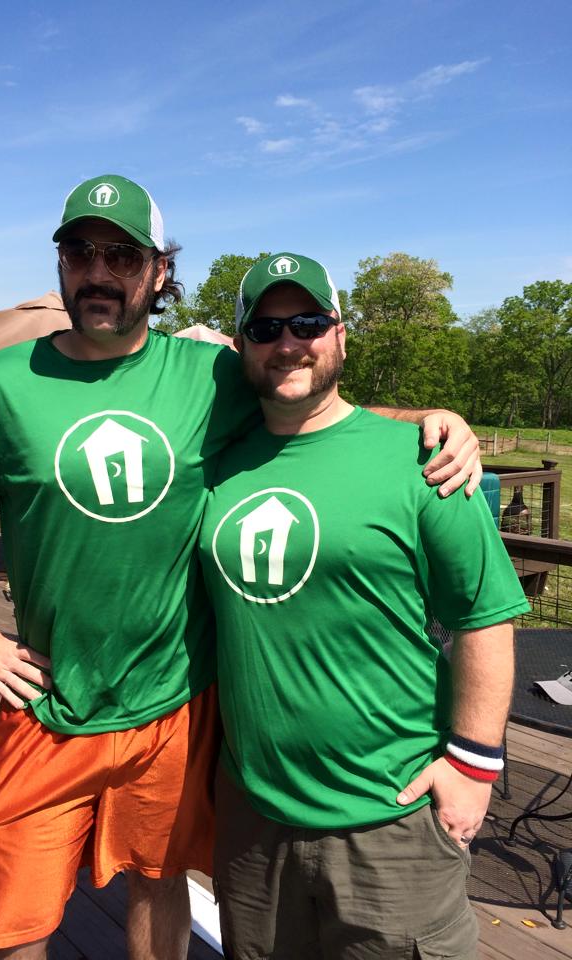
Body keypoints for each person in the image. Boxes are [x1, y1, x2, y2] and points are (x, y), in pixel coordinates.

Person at [0, 176, 482, 960]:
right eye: (80, 251)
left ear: (159, 271)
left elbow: (307, 402)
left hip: (174, 704)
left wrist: (430, 421)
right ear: (60, 262)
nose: (98, 271)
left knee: (159, 880)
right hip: (48, 702)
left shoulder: (211, 375)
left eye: (122, 255)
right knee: (10, 925)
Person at [198, 252, 530, 960]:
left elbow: (485, 616)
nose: (288, 342)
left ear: (341, 336)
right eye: (265, 328)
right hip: (254, 821)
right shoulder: (214, 462)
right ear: (242, 347)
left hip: (392, 816)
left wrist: (474, 767)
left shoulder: (422, 460)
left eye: (308, 323)